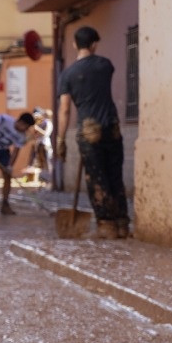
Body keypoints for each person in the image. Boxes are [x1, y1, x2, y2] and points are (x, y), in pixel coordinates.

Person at [56, 26, 129, 238]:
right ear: (94, 44)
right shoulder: (106, 65)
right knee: (115, 175)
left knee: (96, 178)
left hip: (89, 130)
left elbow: (65, 109)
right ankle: (122, 223)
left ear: (74, 45)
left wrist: (61, 139)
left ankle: (106, 226)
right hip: (112, 127)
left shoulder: (68, 74)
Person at [0, 111, 36, 216]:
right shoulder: (4, 119)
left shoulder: (21, 136)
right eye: (25, 127)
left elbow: (16, 152)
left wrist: (9, 165)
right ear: (20, 122)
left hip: (3, 150)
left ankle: (5, 204)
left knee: (7, 176)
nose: (25, 130)